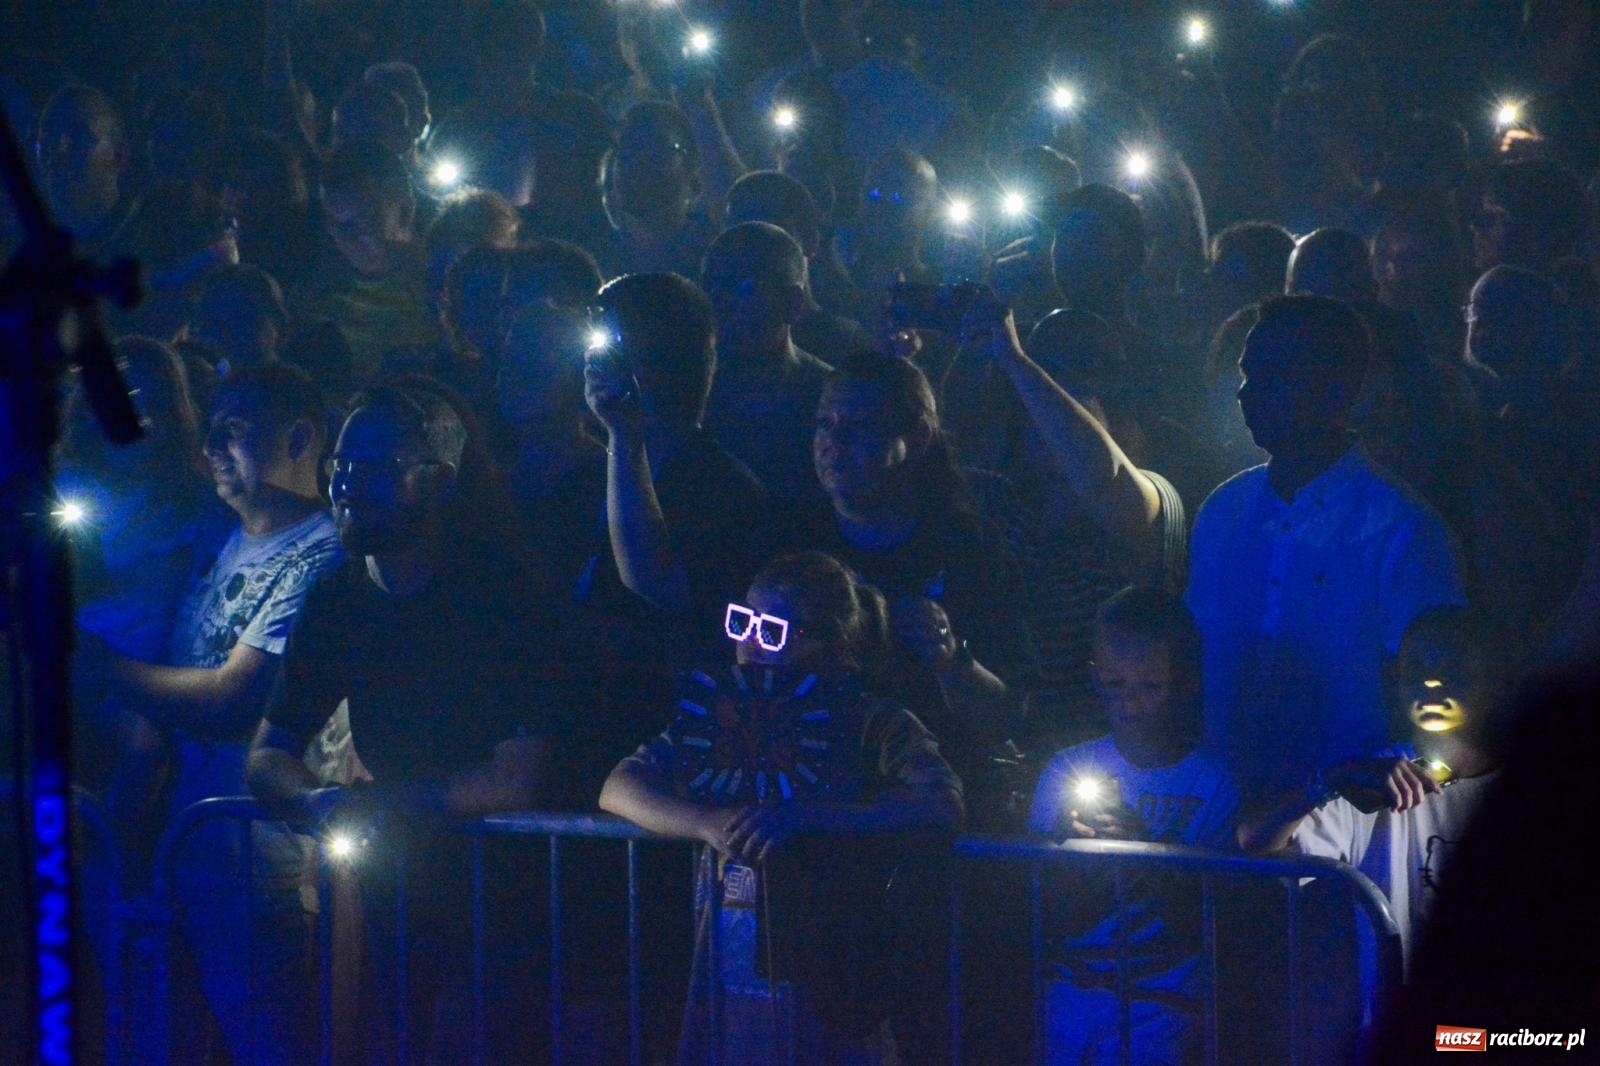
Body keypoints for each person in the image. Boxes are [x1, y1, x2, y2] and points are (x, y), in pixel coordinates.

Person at [245, 380, 568, 1060]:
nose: (347, 486)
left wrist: (379, 805)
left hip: (513, 900)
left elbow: (516, 781)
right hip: (399, 890)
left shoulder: (500, 592)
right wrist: (321, 800)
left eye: (376, 469)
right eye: (342, 465)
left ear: (440, 481)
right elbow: (267, 753)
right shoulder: (337, 596)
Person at [599, 550, 964, 1064]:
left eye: (769, 632)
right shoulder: (717, 715)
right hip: (731, 970)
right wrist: (707, 823)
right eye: (741, 622)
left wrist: (805, 817)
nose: (746, 644)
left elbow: (939, 801)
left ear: (833, 649)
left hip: (835, 974)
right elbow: (618, 785)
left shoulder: (868, 721)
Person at [93, 361, 342, 1064]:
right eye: (209, 431)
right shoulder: (217, 539)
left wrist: (94, 665)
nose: (212, 448)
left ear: (299, 436)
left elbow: (233, 701)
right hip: (185, 849)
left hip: (257, 859)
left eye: (234, 431)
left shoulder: (322, 554)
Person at [1186, 295, 1466, 794]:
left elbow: (1449, 702)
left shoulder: (1402, 529)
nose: (1247, 394)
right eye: (1248, 374)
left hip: (1350, 828)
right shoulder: (1222, 513)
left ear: (1338, 389)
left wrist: (1395, 777)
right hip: (1224, 814)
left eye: (1273, 375)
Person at [798, 353, 1038, 825]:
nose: (833, 441)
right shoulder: (790, 537)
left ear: (918, 437)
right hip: (810, 799)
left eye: (857, 426)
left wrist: (952, 661)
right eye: (824, 423)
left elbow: (1010, 713)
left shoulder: (970, 549)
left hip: (937, 812)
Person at [1029, 587, 1240, 1065]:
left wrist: (1142, 848)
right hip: (1067, 1000)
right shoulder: (1065, 769)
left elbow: (1204, 920)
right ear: (1095, 679)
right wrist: (1067, 857)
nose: (1131, 705)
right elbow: (1044, 913)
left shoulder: (1212, 783)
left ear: (1185, 683)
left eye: (1150, 686)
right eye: (1116, 685)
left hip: (1164, 1009)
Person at [1238, 609, 1505, 975]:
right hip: (1405, 1024)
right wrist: (1332, 779)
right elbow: (1254, 839)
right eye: (1415, 668)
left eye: (1451, 667)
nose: (1430, 682)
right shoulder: (1373, 781)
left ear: (1491, 681)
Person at [701, 222, 835, 501]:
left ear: (792, 303)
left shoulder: (831, 402)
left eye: (744, 286)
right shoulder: (684, 398)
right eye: (711, 285)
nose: (719, 300)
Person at [312, 141, 440, 378]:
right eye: (337, 224)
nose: (345, 236)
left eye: (363, 221)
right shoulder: (319, 302)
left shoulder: (449, 293)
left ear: (405, 210)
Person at [602, 101, 718, 279]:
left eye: (657, 149)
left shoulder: (718, 256)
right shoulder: (592, 263)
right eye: (627, 148)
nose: (639, 161)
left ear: (693, 173)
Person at [189, 264, 290, 376]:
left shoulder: (295, 390)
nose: (224, 334)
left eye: (240, 319)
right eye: (213, 323)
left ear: (276, 320)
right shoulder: (203, 386)